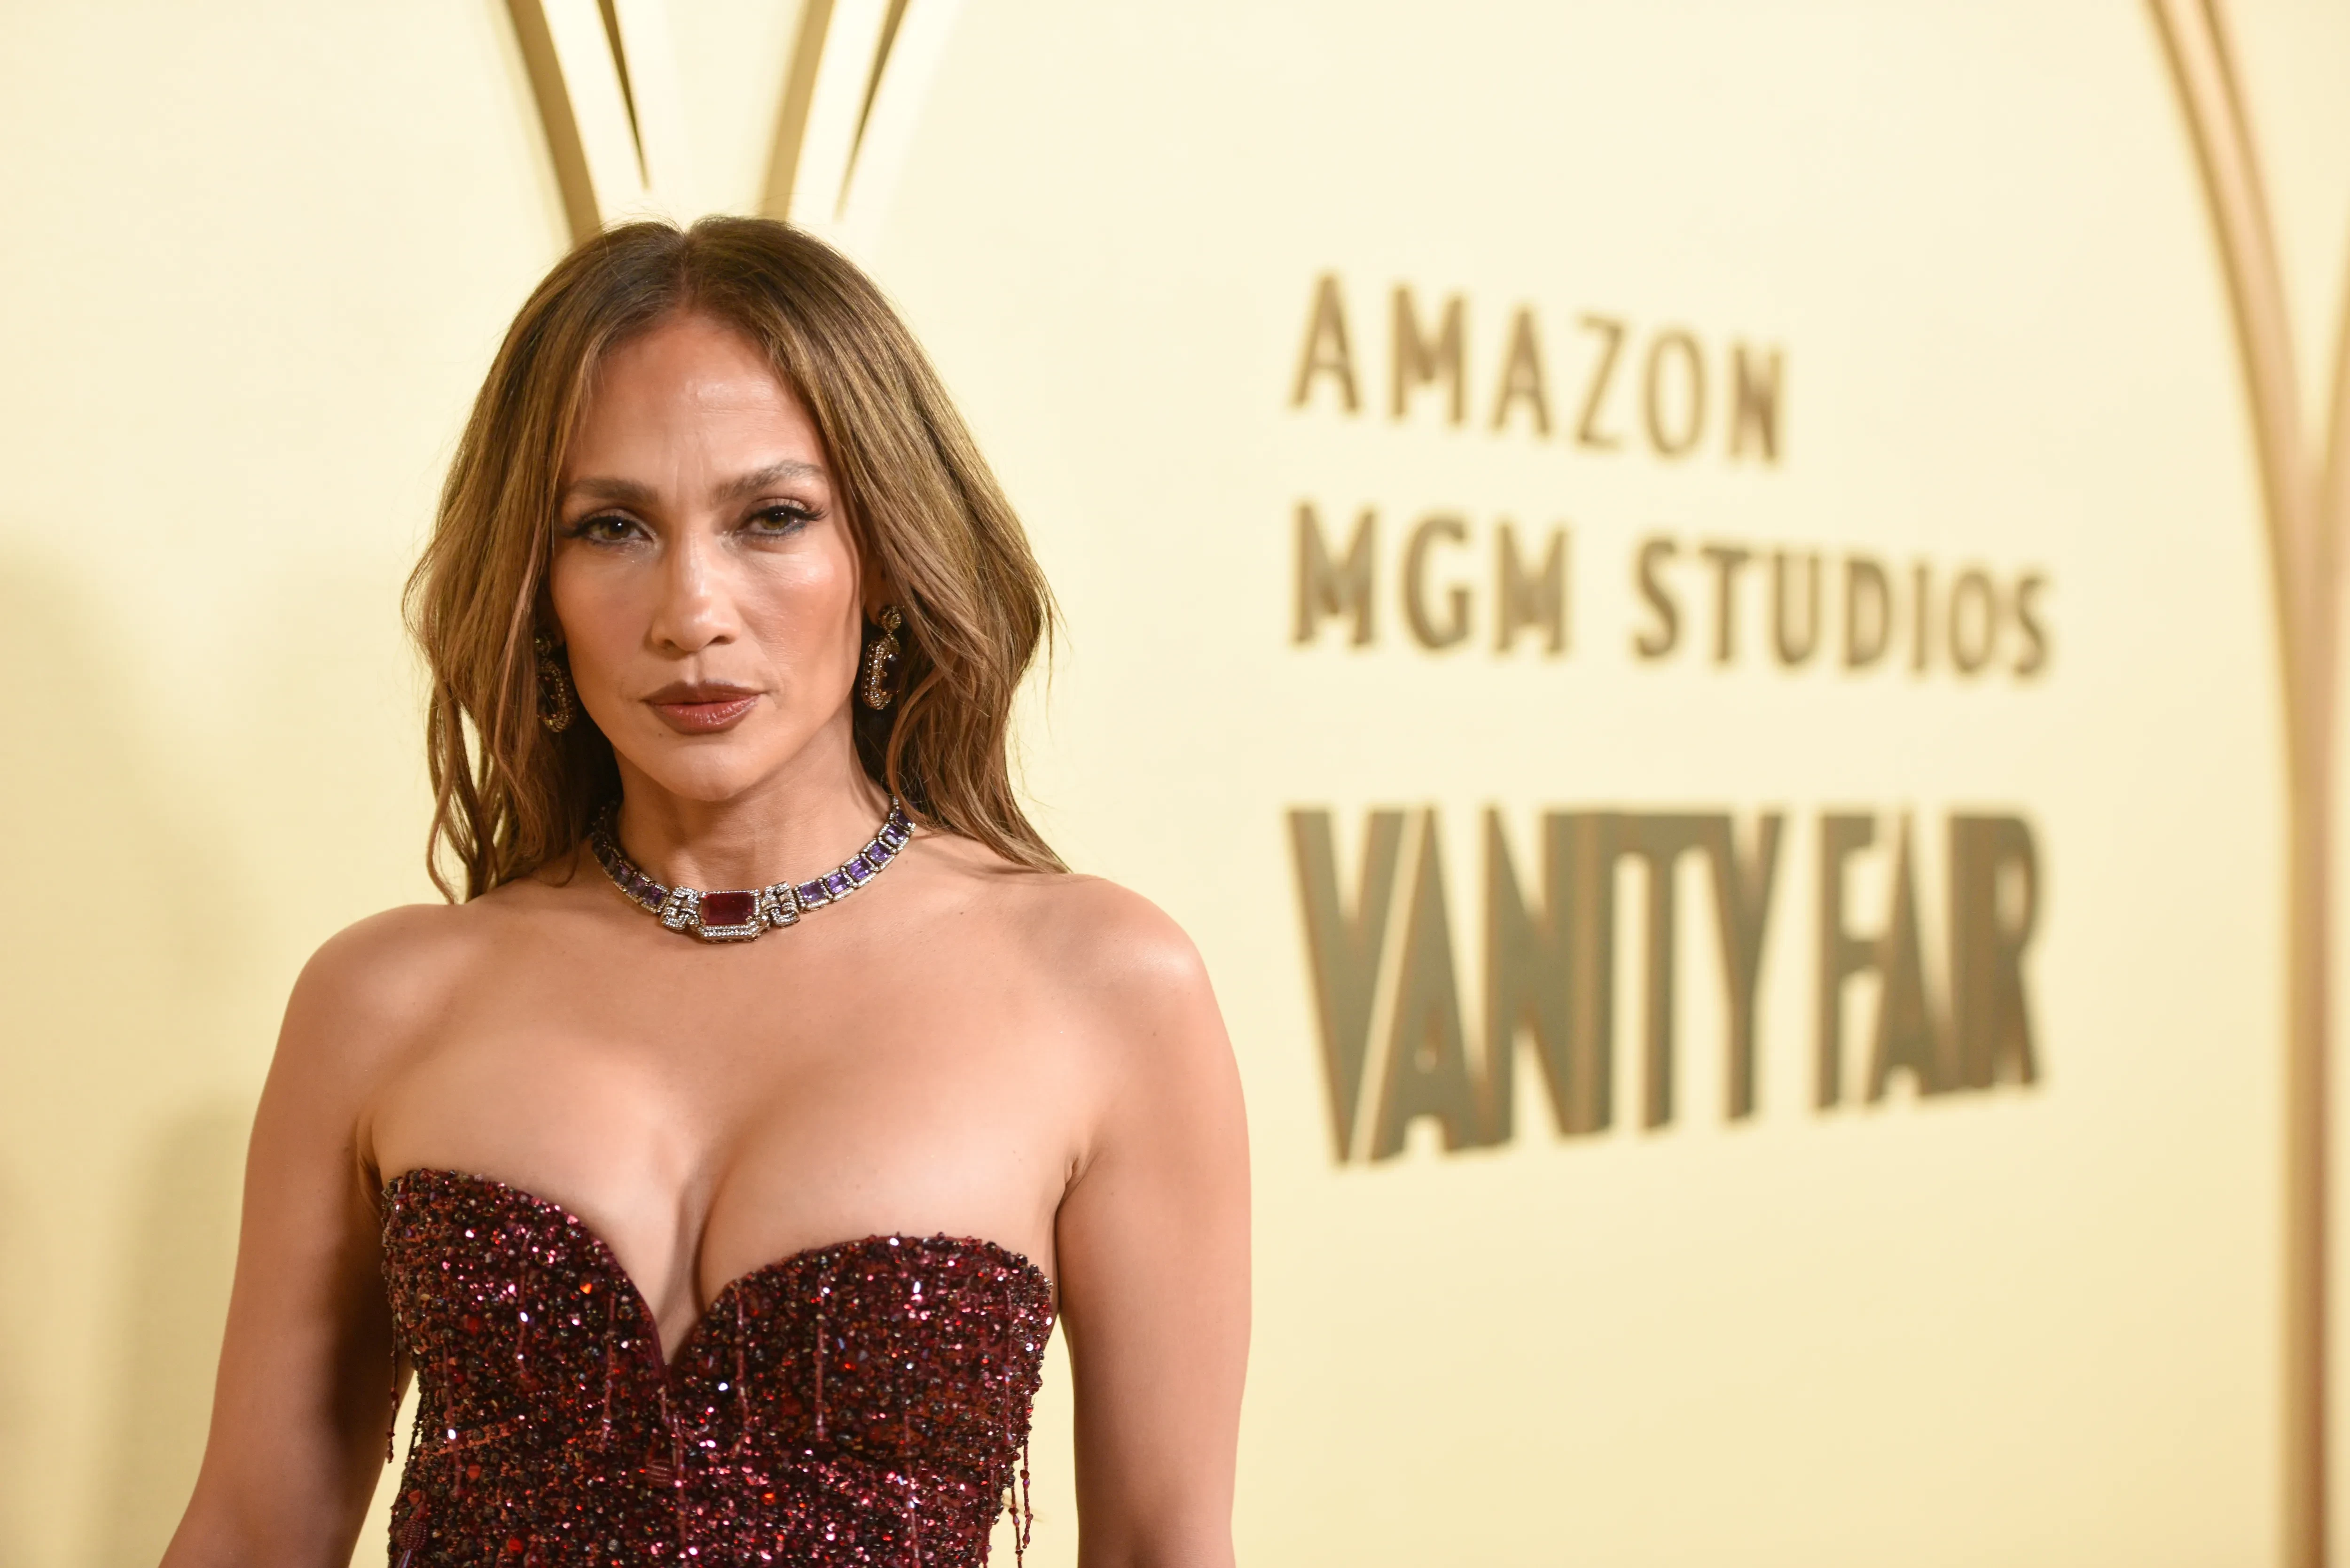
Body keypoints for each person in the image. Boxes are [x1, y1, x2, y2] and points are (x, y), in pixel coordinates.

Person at [159, 217, 1250, 1568]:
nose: (692, 611)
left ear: (883, 557)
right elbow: (252, 1530)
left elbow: (1162, 1545)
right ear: (539, 584)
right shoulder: (382, 1002)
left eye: (772, 518)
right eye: (612, 527)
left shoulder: (1104, 987)